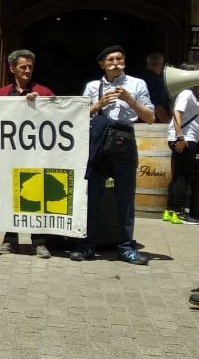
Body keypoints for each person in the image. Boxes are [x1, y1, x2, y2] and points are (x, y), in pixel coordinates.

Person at [67, 45, 154, 265]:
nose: (116, 63)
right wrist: (98, 104)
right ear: (102, 65)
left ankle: (125, 247)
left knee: (125, 196)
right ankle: (87, 245)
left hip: (123, 139)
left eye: (119, 59)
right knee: (93, 195)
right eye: (111, 60)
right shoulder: (93, 86)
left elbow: (151, 117)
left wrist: (130, 100)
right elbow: (79, 115)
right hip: (97, 140)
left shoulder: (137, 84)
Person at [0, 49, 55, 257]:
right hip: (9, 156)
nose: (27, 70)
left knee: (35, 196)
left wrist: (41, 105)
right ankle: (10, 240)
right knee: (10, 196)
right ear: (12, 69)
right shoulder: (1, 94)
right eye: (23, 67)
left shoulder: (43, 92)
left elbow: (58, 114)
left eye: (30, 67)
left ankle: (39, 242)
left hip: (35, 155)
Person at [163, 68, 199, 225]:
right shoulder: (186, 94)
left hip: (185, 138)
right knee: (183, 176)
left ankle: (170, 211)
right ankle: (178, 212)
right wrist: (180, 137)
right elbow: (177, 113)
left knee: (178, 175)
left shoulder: (190, 94)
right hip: (185, 138)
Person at [135, 52, 170, 123]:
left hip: (136, 121)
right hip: (153, 123)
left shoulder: (137, 80)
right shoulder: (157, 82)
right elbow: (158, 107)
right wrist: (168, 124)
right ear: (161, 65)